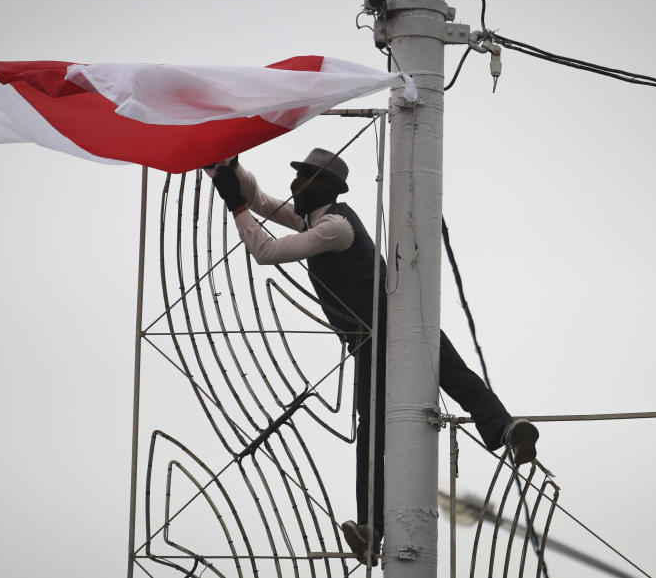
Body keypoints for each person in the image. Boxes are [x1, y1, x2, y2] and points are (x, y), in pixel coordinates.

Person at [205, 149, 538, 566]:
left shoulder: (335, 227)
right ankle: (372, 528)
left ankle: (508, 433)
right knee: (375, 434)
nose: (294, 187)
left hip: (395, 328)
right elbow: (265, 202)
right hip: (371, 343)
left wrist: (235, 205)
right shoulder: (316, 219)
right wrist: (230, 171)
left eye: (302, 179)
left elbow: (267, 252)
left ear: (320, 186)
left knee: (451, 382)